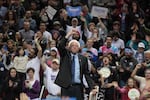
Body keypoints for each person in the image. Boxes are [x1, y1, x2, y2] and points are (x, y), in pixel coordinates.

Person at [55, 30, 97, 100]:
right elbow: (60, 45)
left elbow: (86, 74)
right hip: (66, 87)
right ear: (69, 48)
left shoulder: (83, 59)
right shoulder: (65, 56)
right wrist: (68, 35)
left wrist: (92, 87)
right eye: (72, 46)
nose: (74, 47)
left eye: (76, 46)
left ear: (79, 48)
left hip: (78, 88)